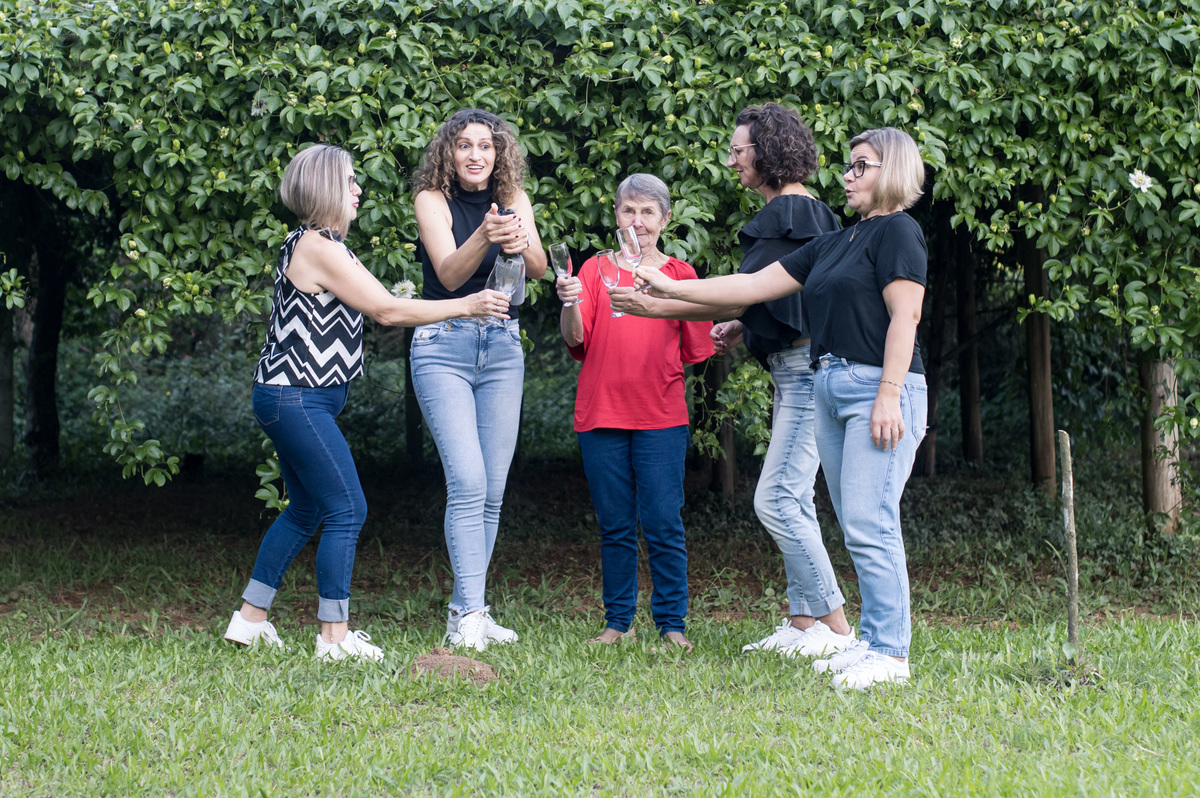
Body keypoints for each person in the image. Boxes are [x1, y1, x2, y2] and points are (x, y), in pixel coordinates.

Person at [636, 128, 928, 689]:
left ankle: (891, 654)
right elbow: (747, 287)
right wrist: (659, 285)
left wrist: (889, 393)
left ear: (892, 170)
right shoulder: (837, 242)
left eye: (861, 167)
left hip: (878, 388)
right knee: (853, 522)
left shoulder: (899, 231)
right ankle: (870, 641)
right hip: (830, 385)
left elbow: (904, 317)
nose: (848, 175)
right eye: (848, 165)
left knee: (871, 522)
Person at [224, 144, 511, 660]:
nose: (358, 189)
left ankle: (250, 619)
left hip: (291, 398)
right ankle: (333, 637)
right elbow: (384, 309)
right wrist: (467, 304)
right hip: (297, 399)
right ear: (326, 188)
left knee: (307, 509)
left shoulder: (318, 243)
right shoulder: (319, 245)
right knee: (348, 509)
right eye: (350, 181)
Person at [611, 103, 853, 659]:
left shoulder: (793, 209)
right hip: (796, 367)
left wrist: (658, 295)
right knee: (794, 499)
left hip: (804, 374)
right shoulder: (801, 211)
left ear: (766, 151)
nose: (732, 161)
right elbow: (792, 292)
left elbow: (748, 287)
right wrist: (748, 325)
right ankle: (802, 625)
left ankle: (839, 632)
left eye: (738, 151)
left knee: (777, 501)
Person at [556, 174, 715, 651]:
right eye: (629, 210)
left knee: (664, 520)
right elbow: (575, 338)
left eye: (648, 212)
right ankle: (617, 622)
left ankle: (672, 626)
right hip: (600, 414)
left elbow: (696, 349)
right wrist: (568, 302)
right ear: (616, 215)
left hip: (661, 416)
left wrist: (661, 296)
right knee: (615, 523)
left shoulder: (681, 275)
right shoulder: (593, 271)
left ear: (665, 219)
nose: (638, 221)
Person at [411, 109, 547, 651]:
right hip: (444, 344)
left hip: (503, 347)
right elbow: (447, 272)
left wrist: (516, 237)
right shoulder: (431, 200)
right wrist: (486, 236)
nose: (475, 156)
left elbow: (536, 267)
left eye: (485, 147)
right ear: (449, 152)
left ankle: (471, 609)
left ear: (499, 154)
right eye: (464, 146)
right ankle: (468, 613)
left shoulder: (514, 197)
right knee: (467, 482)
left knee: (491, 490)